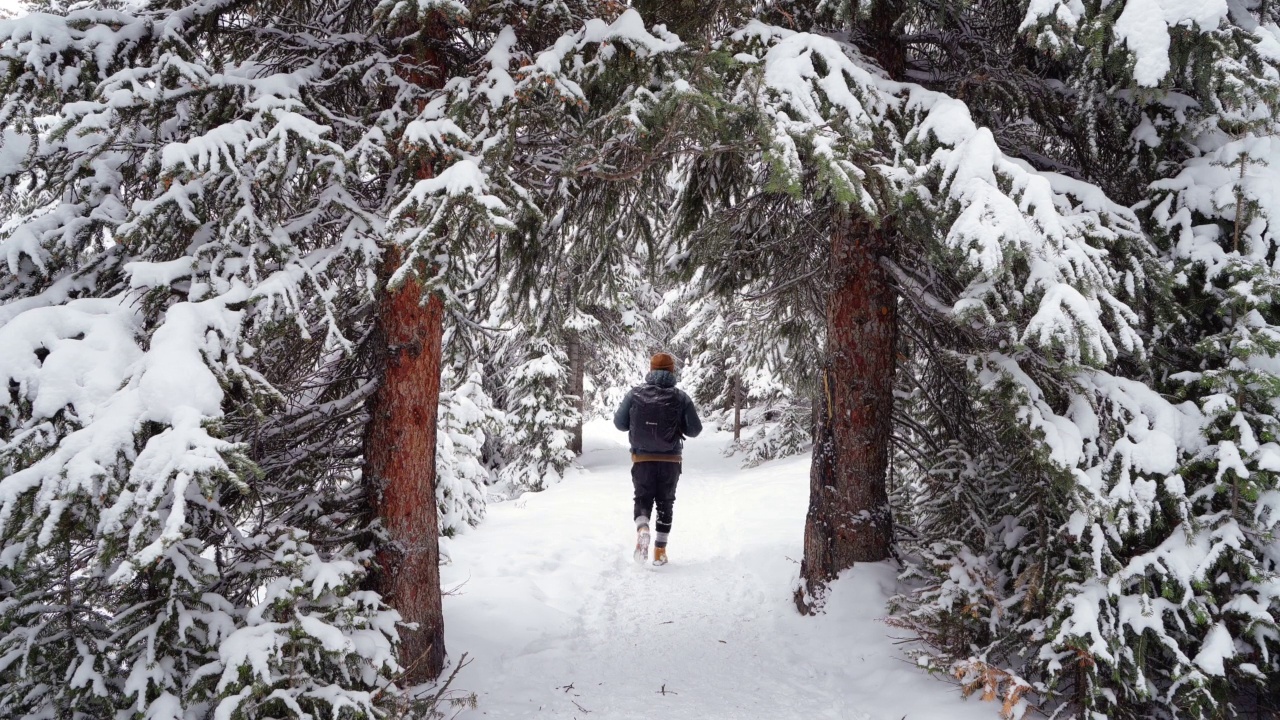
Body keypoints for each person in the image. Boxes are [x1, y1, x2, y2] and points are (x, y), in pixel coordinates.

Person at [613, 352, 702, 566]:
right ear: (672, 371)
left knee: (642, 498)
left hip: (642, 458)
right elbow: (695, 430)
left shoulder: (634, 394)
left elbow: (620, 424)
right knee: (665, 502)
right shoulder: (680, 397)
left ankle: (643, 528)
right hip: (670, 460)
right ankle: (660, 552)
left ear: (651, 370)